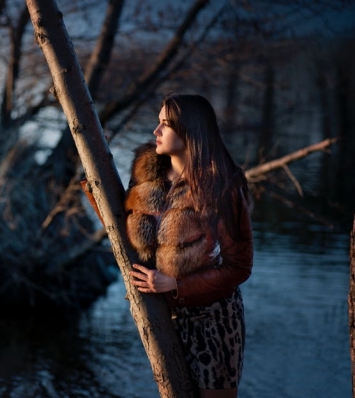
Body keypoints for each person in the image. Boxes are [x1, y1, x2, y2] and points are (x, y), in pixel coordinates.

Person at [127, 93, 253, 398]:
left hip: (212, 321)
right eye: (158, 123)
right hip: (162, 318)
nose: (155, 131)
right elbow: (124, 230)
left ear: (190, 131)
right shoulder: (147, 173)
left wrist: (175, 284)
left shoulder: (220, 186)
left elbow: (239, 267)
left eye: (165, 125)